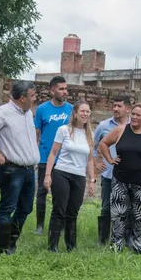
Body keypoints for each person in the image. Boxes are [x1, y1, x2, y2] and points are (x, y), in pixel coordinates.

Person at [0, 80, 40, 255]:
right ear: (22, 98)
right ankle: (4, 248)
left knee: (26, 208)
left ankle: (12, 242)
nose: (35, 98)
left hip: (29, 170)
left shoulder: (28, 113)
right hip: (12, 170)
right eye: (33, 95)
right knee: (7, 208)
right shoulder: (3, 112)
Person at [97, 103, 141, 255]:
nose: (134, 117)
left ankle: (139, 248)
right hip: (120, 181)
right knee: (118, 215)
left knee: (139, 216)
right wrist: (110, 159)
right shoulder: (121, 130)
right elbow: (103, 143)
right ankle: (116, 248)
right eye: (132, 114)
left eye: (138, 115)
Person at [44, 103, 96, 252]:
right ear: (75, 113)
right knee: (59, 210)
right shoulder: (63, 130)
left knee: (73, 212)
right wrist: (47, 175)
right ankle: (52, 247)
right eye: (82, 111)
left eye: (87, 111)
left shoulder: (90, 134)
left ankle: (71, 247)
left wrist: (92, 180)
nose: (85, 114)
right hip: (62, 173)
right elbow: (53, 153)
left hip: (79, 176)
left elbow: (90, 160)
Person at [34, 76, 73, 234]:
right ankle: (40, 226)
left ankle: (60, 226)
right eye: (61, 89)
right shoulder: (42, 109)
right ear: (52, 90)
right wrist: (35, 154)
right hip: (45, 157)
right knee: (42, 191)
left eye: (66, 89)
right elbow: (37, 133)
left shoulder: (71, 109)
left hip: (65, 159)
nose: (64, 92)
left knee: (62, 194)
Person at [93, 95, 131, 246]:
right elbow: (94, 145)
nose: (115, 109)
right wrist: (96, 162)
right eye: (114, 105)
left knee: (127, 207)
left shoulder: (133, 126)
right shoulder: (103, 126)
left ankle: (126, 239)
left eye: (119, 106)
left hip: (128, 175)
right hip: (108, 174)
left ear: (127, 109)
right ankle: (102, 239)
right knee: (106, 207)